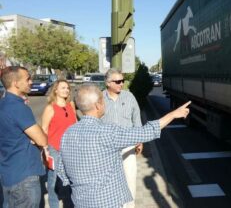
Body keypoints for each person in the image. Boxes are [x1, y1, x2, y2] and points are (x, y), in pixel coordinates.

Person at [56, 84, 190, 208]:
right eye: (103, 101)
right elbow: (146, 132)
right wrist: (173, 114)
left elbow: (62, 170)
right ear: (97, 105)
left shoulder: (67, 133)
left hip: (80, 202)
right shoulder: (107, 132)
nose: (105, 104)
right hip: (108, 203)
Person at [0, 66, 48, 208]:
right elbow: (42, 140)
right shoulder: (18, 107)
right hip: (24, 176)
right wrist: (35, 134)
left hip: (8, 173)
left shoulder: (3, 104)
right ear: (15, 83)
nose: (31, 82)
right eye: (27, 79)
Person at [101, 68, 142, 208]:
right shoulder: (100, 99)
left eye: (122, 81)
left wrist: (139, 140)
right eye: (117, 81)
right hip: (107, 149)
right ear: (107, 83)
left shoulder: (129, 97)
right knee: (109, 183)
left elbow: (136, 118)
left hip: (128, 146)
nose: (121, 84)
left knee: (130, 180)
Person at [41, 79, 76, 208]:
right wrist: (45, 150)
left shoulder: (71, 105)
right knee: (53, 182)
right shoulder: (50, 108)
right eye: (63, 88)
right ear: (55, 90)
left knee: (70, 180)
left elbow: (76, 126)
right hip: (54, 149)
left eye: (67, 88)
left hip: (71, 149)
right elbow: (44, 129)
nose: (66, 90)